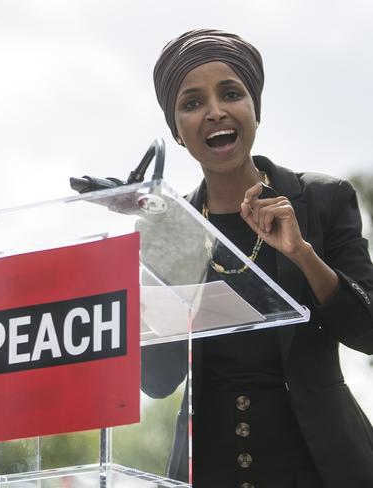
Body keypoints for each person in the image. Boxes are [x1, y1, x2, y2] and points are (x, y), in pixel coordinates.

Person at [141, 29, 373, 488]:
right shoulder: (173, 230)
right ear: (177, 132)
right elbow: (158, 380)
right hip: (210, 466)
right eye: (192, 103)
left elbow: (368, 332)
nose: (215, 112)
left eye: (231, 94)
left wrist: (304, 255)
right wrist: (157, 270)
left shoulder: (322, 201)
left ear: (255, 109)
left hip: (321, 464)